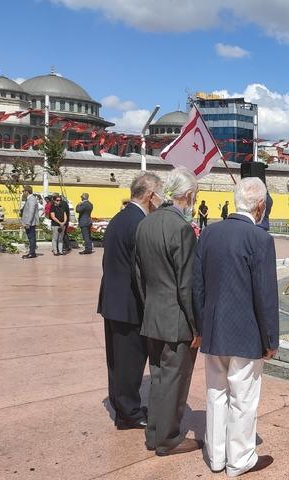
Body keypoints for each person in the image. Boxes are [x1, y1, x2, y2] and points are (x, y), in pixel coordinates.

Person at [195, 177, 277, 476]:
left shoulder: (209, 233)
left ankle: (216, 457)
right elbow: (265, 294)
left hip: (214, 328)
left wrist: (200, 326)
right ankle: (239, 460)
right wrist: (271, 339)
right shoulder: (260, 239)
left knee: (215, 393)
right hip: (246, 332)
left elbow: (197, 286)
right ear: (260, 206)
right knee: (243, 397)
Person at [135, 167, 203, 456]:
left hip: (153, 315)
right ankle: (167, 439)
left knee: (159, 377)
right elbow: (187, 285)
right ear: (187, 195)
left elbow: (138, 276)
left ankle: (154, 433)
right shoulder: (181, 229)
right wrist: (197, 327)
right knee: (175, 381)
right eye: (194, 197)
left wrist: (149, 307)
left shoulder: (145, 224)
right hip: (177, 321)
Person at [98, 172, 163, 431]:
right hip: (128, 303)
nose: (160, 200)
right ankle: (129, 414)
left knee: (116, 361)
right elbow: (142, 269)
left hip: (112, 299)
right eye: (159, 195)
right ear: (149, 196)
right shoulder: (139, 223)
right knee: (130, 363)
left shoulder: (120, 217)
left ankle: (122, 405)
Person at [20, 186, 39, 259]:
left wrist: (28, 222)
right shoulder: (29, 199)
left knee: (31, 238)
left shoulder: (31, 199)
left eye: (23, 191)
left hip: (30, 222)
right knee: (30, 237)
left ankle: (32, 253)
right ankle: (32, 252)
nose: (23, 193)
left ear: (27, 191)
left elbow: (31, 211)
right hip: (29, 222)